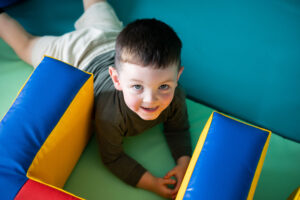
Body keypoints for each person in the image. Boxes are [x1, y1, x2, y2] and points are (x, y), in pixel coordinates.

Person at [0, 0, 191, 199]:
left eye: (163, 86)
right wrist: (151, 183)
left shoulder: (176, 97)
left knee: (96, 5)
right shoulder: (111, 116)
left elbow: (178, 128)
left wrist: (183, 163)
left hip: (108, 35)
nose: (151, 100)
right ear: (116, 79)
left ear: (177, 77)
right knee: (26, 45)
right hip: (73, 53)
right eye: (137, 87)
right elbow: (113, 158)